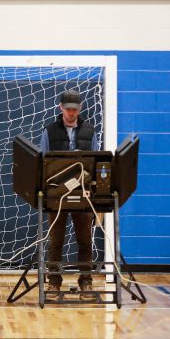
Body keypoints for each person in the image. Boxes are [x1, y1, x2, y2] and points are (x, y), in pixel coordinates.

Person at [40, 89, 100, 301]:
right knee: (55, 242)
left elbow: (95, 162)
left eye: (75, 109)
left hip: (82, 195)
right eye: (68, 109)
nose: (71, 113)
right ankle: (54, 283)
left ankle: (86, 283)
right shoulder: (49, 131)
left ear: (80, 108)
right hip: (57, 195)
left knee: (84, 241)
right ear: (61, 108)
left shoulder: (90, 131)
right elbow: (43, 163)